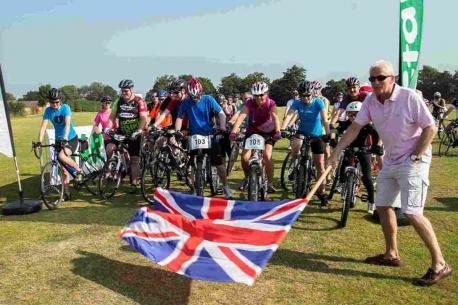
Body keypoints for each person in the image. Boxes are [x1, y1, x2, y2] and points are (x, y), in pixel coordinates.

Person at [328, 60, 452, 286]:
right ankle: (391, 254)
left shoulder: (409, 97)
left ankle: (440, 264)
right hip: (391, 159)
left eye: (380, 78)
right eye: (372, 78)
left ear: (392, 78)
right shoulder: (370, 101)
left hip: (413, 160)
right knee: (383, 206)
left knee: (413, 212)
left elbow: (431, 127)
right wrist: (337, 150)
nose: (375, 82)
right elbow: (355, 128)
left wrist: (416, 155)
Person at [175, 78, 233, 199]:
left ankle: (226, 187)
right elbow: (179, 117)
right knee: (192, 162)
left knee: (219, 164)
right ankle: (195, 189)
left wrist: (222, 127)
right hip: (194, 136)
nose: (195, 99)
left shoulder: (208, 99)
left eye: (197, 96)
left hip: (210, 135)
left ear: (201, 92)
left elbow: (221, 113)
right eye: (192, 97)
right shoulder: (186, 102)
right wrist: (177, 131)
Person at [281, 80, 330, 205]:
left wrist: (328, 133)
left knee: (320, 164)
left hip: (317, 134)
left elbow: (324, 119)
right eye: (303, 95)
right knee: (295, 145)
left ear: (312, 93)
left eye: (308, 95)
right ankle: (295, 164)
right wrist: (283, 128)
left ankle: (322, 191)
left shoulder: (318, 102)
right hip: (302, 132)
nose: (306, 98)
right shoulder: (297, 103)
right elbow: (289, 116)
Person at [330, 101, 382, 213]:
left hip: (364, 150)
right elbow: (335, 129)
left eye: (356, 114)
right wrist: (333, 139)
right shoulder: (346, 123)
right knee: (342, 171)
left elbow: (377, 135)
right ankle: (344, 186)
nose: (353, 117)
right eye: (350, 114)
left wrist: (376, 147)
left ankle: (371, 201)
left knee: (366, 177)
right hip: (349, 149)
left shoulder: (367, 125)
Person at [230, 82, 281, 193]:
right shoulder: (249, 103)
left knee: (267, 156)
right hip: (252, 132)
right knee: (244, 157)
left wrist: (277, 131)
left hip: (268, 133)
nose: (259, 98)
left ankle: (270, 183)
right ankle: (248, 178)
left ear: (266, 94)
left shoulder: (271, 103)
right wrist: (234, 131)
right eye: (256, 95)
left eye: (261, 95)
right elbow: (241, 117)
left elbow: (275, 117)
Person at [37, 88, 82, 201]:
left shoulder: (65, 108)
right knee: (63, 170)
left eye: (57, 102)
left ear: (60, 100)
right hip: (58, 141)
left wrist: (65, 138)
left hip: (70, 138)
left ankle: (78, 171)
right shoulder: (48, 111)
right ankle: (66, 194)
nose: (55, 104)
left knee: (61, 156)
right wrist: (39, 141)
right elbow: (43, 127)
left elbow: (67, 124)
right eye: (52, 102)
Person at [106, 79, 148, 194]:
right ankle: (119, 167)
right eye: (122, 91)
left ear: (131, 90)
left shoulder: (139, 101)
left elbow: (144, 118)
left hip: (135, 133)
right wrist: (108, 128)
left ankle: (134, 183)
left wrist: (139, 130)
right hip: (122, 131)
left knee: (135, 160)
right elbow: (112, 117)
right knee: (109, 148)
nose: (124, 93)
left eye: (126, 91)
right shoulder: (119, 101)